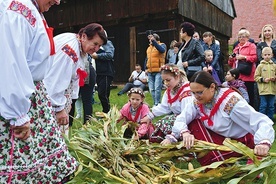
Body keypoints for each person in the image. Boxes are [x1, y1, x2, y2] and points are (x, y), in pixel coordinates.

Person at [0, 0, 78, 183]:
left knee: (41, 157)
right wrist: (18, 114)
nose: (58, 1)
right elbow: (11, 64)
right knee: (20, 158)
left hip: (34, 97)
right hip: (20, 98)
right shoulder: (18, 12)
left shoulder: (31, 9)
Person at [161, 71, 275, 166]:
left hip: (239, 141)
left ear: (212, 87)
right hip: (221, 137)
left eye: (199, 92)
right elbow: (182, 118)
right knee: (193, 124)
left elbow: (260, 120)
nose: (196, 96)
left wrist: (263, 142)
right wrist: (182, 133)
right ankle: (216, 159)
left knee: (219, 166)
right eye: (193, 93)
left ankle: (242, 157)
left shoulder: (230, 102)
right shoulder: (197, 101)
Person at [44, 23, 107, 126]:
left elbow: (76, 75)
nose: (96, 49)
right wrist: (58, 108)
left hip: (60, 98)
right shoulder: (70, 51)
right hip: (51, 100)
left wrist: (72, 98)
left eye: (99, 46)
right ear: (84, 36)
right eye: (95, 44)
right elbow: (56, 79)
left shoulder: (79, 45)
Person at [140, 64, 193, 143]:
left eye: (168, 80)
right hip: (178, 119)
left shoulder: (186, 92)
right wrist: (150, 116)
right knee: (163, 123)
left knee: (168, 121)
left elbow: (187, 115)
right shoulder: (170, 91)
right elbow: (165, 107)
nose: (166, 83)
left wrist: (173, 135)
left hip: (188, 121)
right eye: (164, 81)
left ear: (177, 77)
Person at [228, 29, 257, 108]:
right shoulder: (236, 48)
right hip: (237, 76)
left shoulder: (251, 46)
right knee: (237, 96)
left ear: (247, 38)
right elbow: (230, 63)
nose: (241, 38)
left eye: (243, 37)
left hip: (247, 76)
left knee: (249, 96)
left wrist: (243, 57)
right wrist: (230, 59)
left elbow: (254, 58)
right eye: (240, 37)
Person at [92, 37, 115, 113]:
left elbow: (110, 55)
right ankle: (107, 112)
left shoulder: (107, 43)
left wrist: (97, 56)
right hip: (98, 72)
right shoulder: (95, 44)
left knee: (103, 94)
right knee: (102, 93)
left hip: (106, 72)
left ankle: (107, 112)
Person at [145, 31, 167, 106]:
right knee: (151, 89)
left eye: (151, 39)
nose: (150, 40)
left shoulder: (162, 45)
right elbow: (147, 59)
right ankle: (155, 103)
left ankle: (157, 104)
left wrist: (154, 42)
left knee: (157, 88)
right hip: (150, 71)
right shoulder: (148, 48)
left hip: (159, 70)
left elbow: (162, 50)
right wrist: (145, 68)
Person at [254, 47, 276, 120]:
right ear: (262, 55)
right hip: (263, 90)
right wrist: (263, 80)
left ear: (272, 55)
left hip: (272, 90)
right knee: (263, 105)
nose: (267, 56)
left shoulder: (274, 66)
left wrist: (274, 78)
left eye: (269, 54)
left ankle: (270, 120)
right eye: (265, 54)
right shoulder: (260, 66)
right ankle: (262, 120)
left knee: (271, 106)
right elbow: (256, 77)